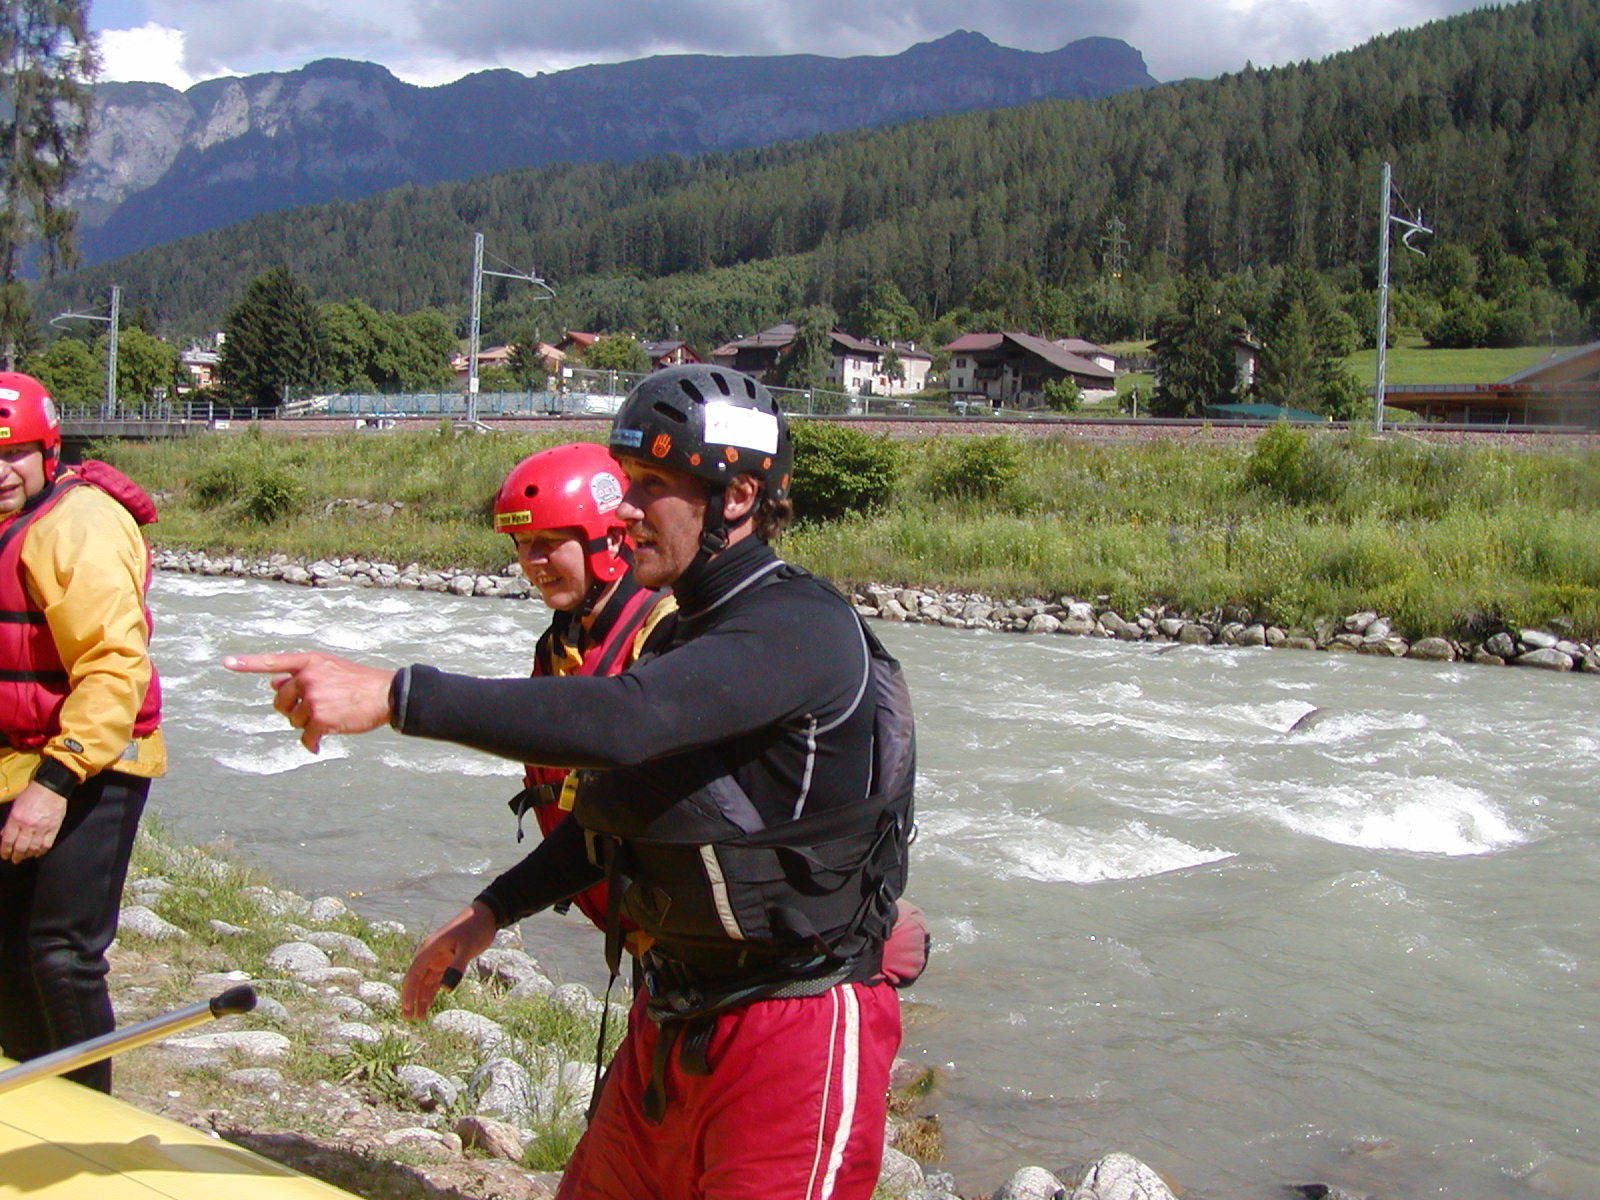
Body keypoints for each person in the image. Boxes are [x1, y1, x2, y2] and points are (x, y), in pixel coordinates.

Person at [226, 363, 919, 1200]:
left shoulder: (800, 628)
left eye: (652, 486)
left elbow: (622, 722)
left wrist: (397, 694)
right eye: (627, 485)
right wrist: (490, 913)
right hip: (674, 1014)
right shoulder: (686, 640)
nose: (624, 510)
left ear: (735, 497)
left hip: (795, 1031)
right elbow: (613, 826)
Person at [0, 372, 164, 1092]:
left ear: (48, 449)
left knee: (60, 954)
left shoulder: (78, 525)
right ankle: (29, 1109)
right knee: (8, 953)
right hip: (20, 758)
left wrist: (55, 783)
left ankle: (91, 1132)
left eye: (13, 453)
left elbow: (112, 666)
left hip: (93, 761)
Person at [493, 441, 674, 932]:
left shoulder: (666, 637)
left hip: (694, 941)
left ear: (611, 542)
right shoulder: (560, 644)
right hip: (636, 926)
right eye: (522, 543)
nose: (532, 561)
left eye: (549, 541)